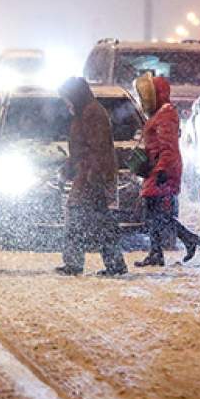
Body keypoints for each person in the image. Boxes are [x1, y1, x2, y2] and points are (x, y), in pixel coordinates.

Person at [56, 77, 128, 277]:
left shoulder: (92, 113)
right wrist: (68, 169)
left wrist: (93, 175)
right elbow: (80, 150)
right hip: (87, 174)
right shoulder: (82, 113)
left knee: (83, 217)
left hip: (92, 176)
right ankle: (108, 263)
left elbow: (99, 148)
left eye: (67, 98)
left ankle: (79, 263)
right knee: (95, 220)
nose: (66, 103)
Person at [133, 74, 200, 267]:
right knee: (153, 213)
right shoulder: (161, 113)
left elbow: (168, 147)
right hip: (157, 167)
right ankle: (158, 252)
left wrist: (162, 170)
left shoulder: (165, 114)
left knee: (156, 214)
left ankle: (187, 239)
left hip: (162, 169)